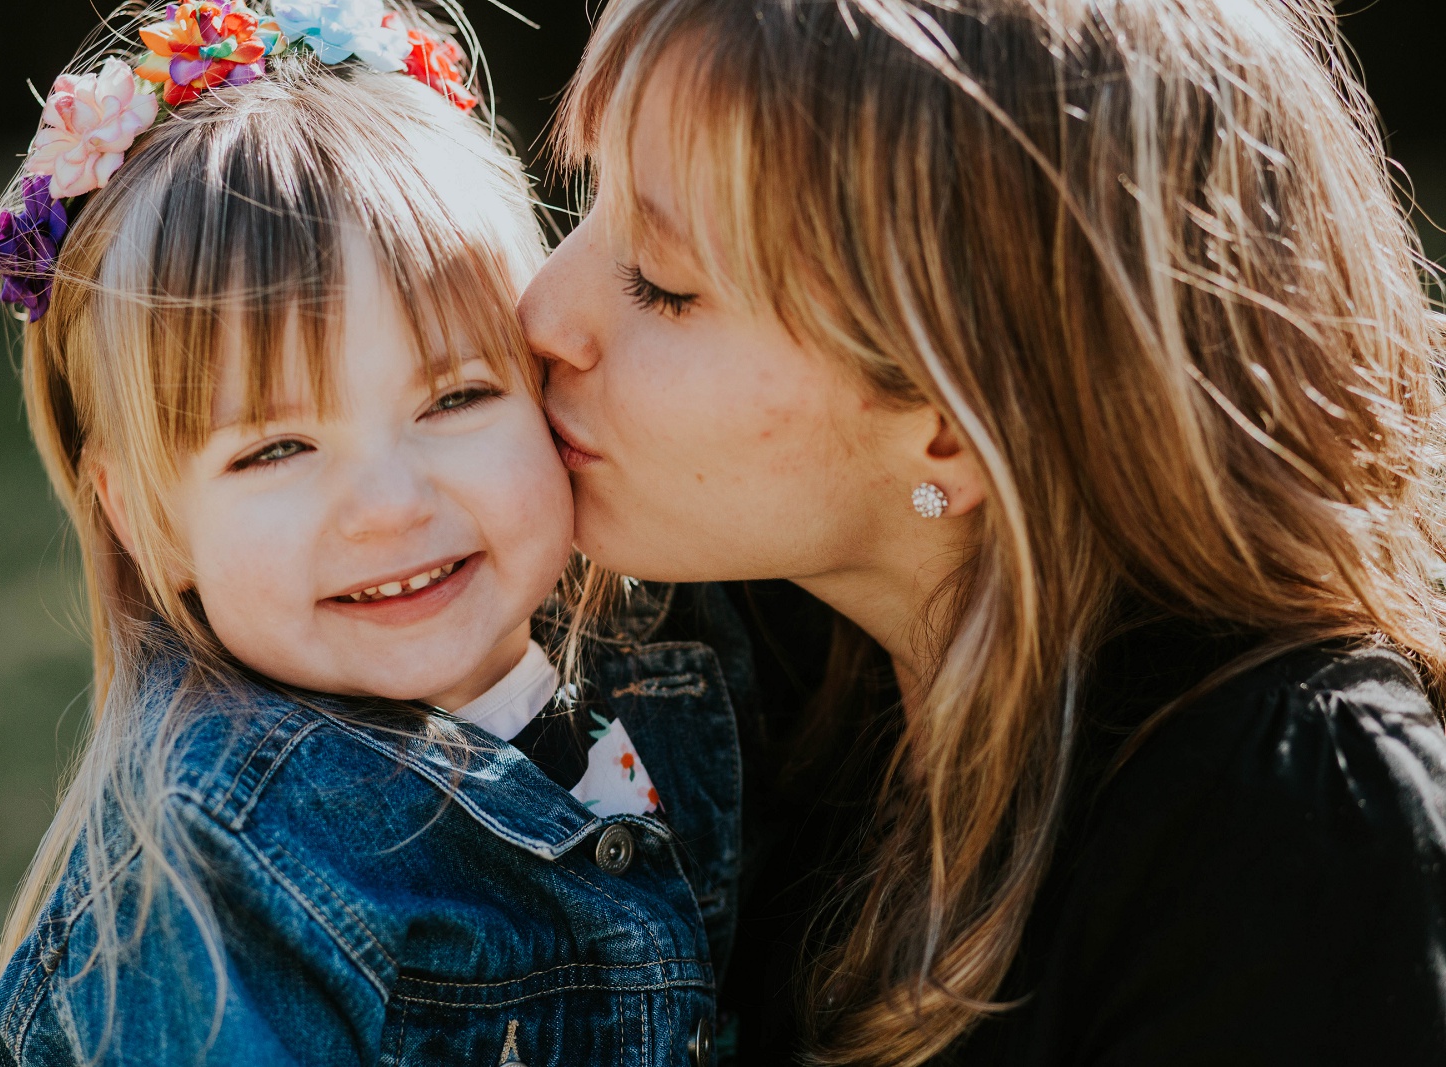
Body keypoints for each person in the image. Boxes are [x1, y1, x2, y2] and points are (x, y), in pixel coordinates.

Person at [519, 0, 1446, 1063]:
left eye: (662, 284)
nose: (543, 308)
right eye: (587, 205)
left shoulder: (1284, 831)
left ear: (960, 425)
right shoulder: (747, 674)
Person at [0, 3, 744, 1063]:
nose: (388, 503)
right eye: (276, 449)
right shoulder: (216, 878)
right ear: (145, 515)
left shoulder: (676, 647)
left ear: (546, 387)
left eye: (455, 399)